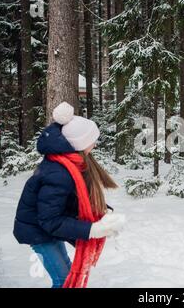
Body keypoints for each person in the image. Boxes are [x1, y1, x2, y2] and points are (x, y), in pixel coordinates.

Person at [13, 102, 123, 288]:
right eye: (92, 140)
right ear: (79, 143)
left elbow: (72, 201)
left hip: (47, 229)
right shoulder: (59, 172)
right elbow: (50, 220)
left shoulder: (71, 165)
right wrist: (92, 230)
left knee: (68, 277)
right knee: (64, 280)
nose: (95, 144)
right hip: (38, 231)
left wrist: (103, 214)